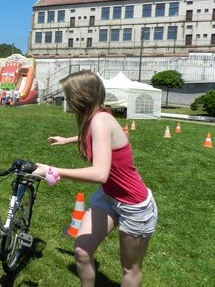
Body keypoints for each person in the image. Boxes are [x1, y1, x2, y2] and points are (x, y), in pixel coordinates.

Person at [33, 70, 157, 287]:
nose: (65, 98)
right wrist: (67, 140)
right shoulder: (94, 118)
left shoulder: (101, 120)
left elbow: (100, 173)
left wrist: (53, 169)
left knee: (130, 269)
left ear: (82, 96)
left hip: (133, 205)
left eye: (68, 94)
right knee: (82, 251)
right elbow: (94, 136)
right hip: (109, 196)